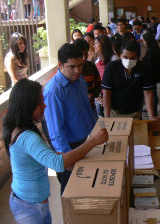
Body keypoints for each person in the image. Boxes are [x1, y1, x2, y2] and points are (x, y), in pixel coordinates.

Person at [3, 78, 108, 224]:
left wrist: (68, 157)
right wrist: (93, 142)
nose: (44, 105)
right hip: (29, 207)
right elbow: (58, 164)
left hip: (35, 202)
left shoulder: (20, 128)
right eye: (39, 102)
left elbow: (49, 156)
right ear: (27, 105)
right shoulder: (27, 137)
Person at [43, 43, 97, 194]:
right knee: (70, 191)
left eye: (80, 65)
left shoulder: (79, 81)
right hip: (67, 148)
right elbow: (55, 130)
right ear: (60, 65)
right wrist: (67, 158)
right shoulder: (53, 91)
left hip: (84, 141)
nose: (77, 70)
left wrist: (95, 135)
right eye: (72, 66)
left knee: (86, 186)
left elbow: (86, 110)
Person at [101, 40, 159, 121]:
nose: (128, 60)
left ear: (138, 57)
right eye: (125, 57)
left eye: (132, 58)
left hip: (135, 113)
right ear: (120, 55)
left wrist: (151, 116)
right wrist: (107, 117)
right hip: (113, 112)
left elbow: (148, 93)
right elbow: (107, 92)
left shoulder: (145, 68)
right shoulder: (111, 68)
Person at [74, 38, 101, 120]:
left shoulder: (91, 66)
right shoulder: (71, 71)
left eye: (86, 54)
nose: (84, 58)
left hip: (91, 108)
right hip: (76, 112)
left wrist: (93, 94)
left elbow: (99, 85)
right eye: (81, 55)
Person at [94, 35, 117, 117]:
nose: (94, 46)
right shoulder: (97, 60)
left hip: (112, 95)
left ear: (103, 44)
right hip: (100, 96)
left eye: (96, 43)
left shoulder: (114, 59)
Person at [142, 32, 160, 116]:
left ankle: (153, 111)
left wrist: (143, 62)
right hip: (154, 73)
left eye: (144, 40)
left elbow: (150, 64)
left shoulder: (151, 50)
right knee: (152, 92)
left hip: (152, 74)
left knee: (153, 93)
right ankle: (150, 108)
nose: (143, 42)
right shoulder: (153, 47)